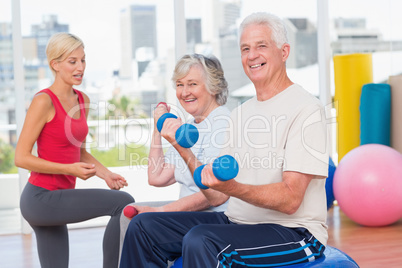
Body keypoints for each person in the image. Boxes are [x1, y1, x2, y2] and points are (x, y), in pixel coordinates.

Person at [119, 12, 330, 268]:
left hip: (295, 232)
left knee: (201, 240)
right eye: (245, 48)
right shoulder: (241, 113)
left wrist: (232, 188)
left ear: (284, 52)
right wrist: (178, 145)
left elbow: (290, 199)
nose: (252, 55)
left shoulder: (307, 109)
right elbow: (217, 197)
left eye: (261, 46)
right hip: (238, 222)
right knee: (144, 227)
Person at [15, 32, 134, 268]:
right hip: (40, 198)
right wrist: (68, 168)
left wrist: (105, 174)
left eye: (83, 60)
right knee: (123, 203)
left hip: (58, 198)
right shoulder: (44, 101)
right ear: (55, 65)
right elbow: (21, 157)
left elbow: (78, 150)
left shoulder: (82, 100)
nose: (80, 67)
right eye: (73, 61)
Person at [118, 54, 232, 258]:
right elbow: (156, 176)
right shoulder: (190, 126)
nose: (184, 92)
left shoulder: (222, 123)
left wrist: (163, 211)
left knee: (141, 223)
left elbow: (216, 195)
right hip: (189, 214)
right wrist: (158, 128)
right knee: (128, 214)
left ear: (213, 87)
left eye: (192, 84)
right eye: (180, 85)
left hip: (215, 217)